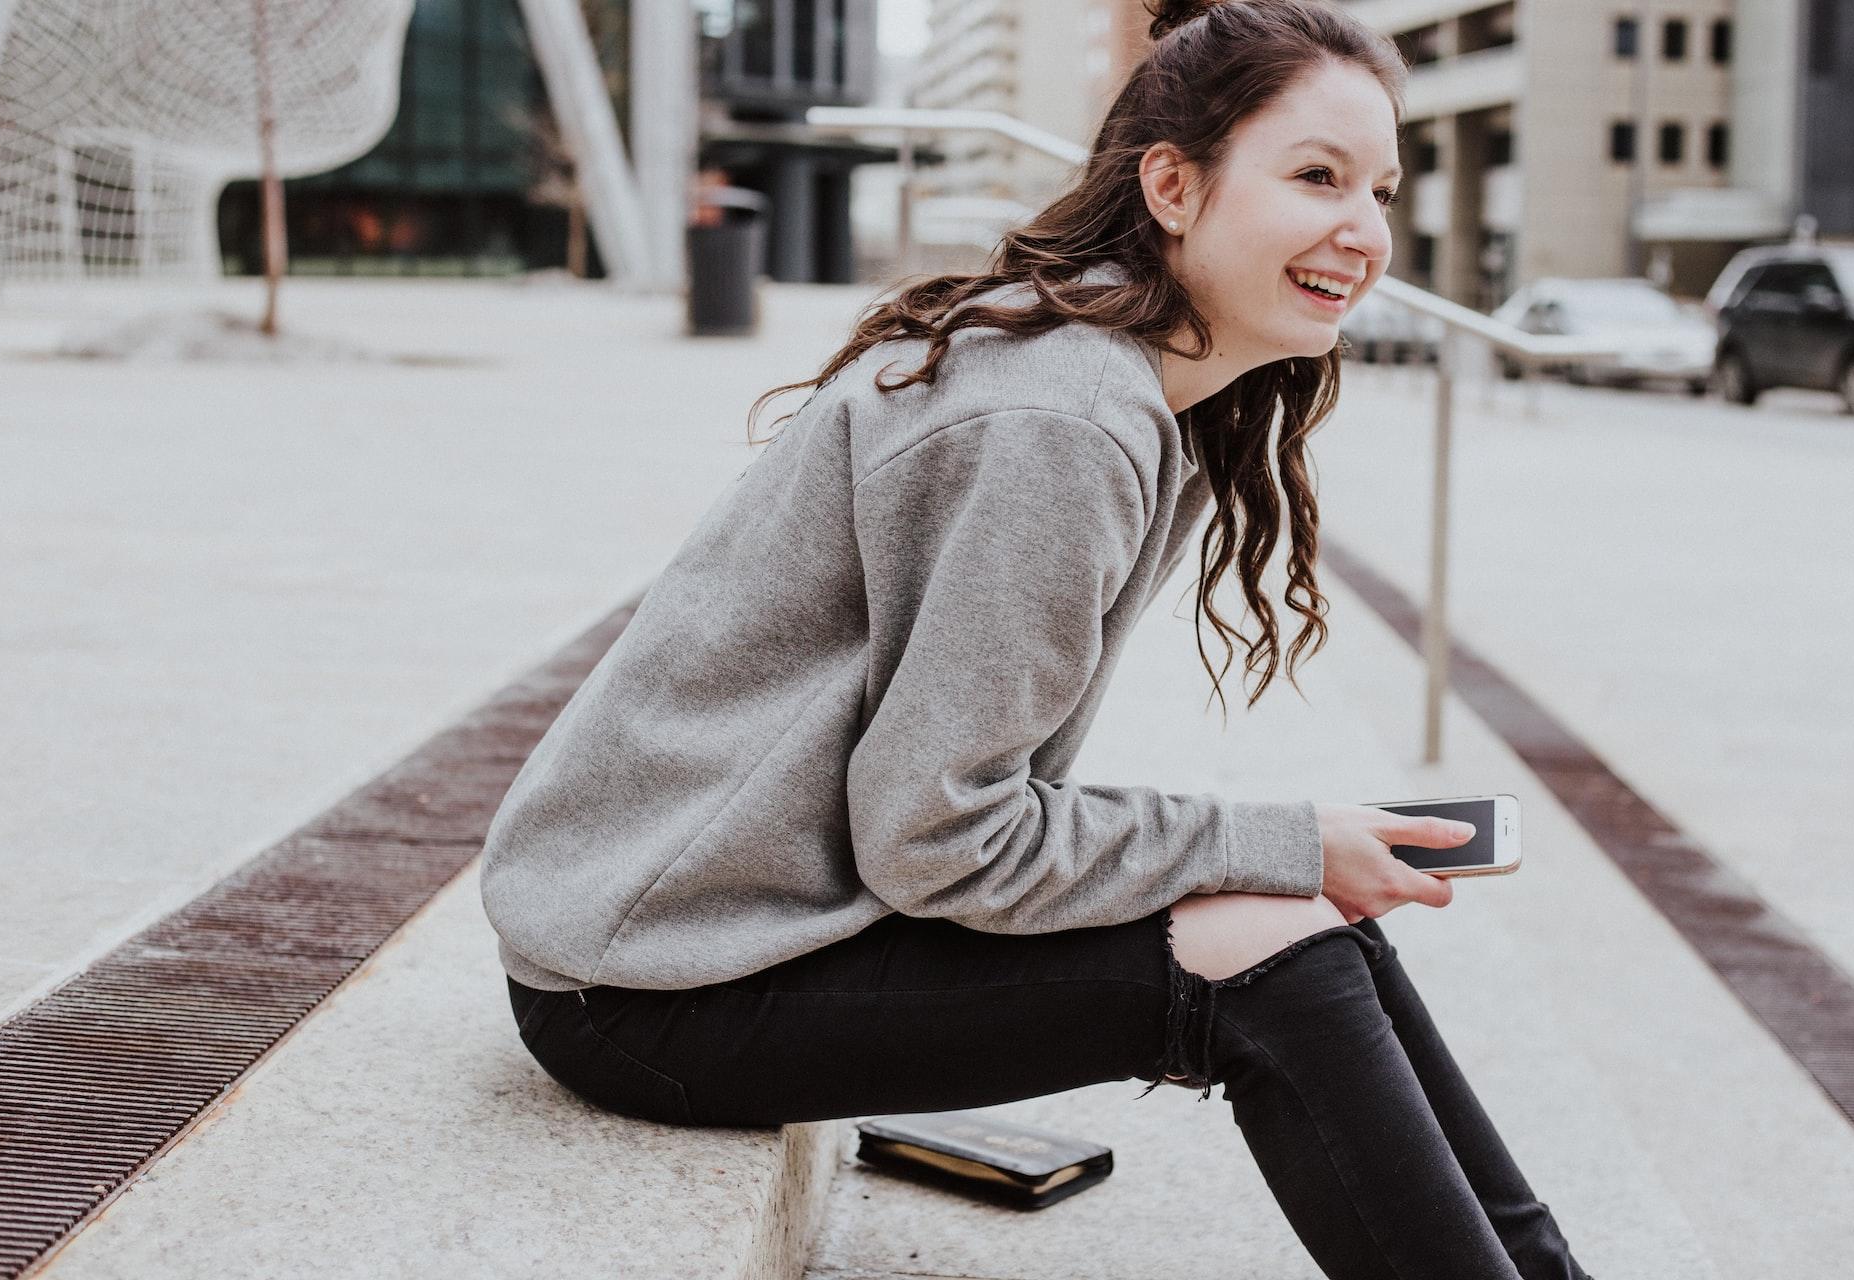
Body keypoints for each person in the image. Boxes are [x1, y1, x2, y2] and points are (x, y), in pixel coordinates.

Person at [480, 2, 1595, 1276]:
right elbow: (940, 835)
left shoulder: (1101, 375)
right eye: (1317, 177)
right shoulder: (1062, 419)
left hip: (730, 918)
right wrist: (1280, 840)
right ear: (1173, 185)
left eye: (1381, 188)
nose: (1367, 230)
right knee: (1275, 953)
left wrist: (1288, 854)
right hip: (651, 986)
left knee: (1304, 915)